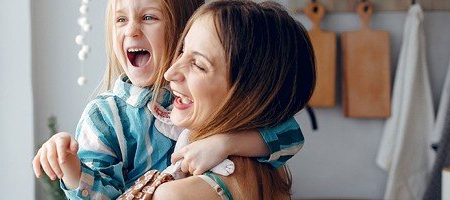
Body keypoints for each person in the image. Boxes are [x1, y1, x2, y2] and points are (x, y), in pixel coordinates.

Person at [31, 0, 306, 199]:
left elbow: (289, 133)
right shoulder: (106, 115)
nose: (131, 31)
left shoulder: (208, 105)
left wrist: (224, 143)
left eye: (149, 17)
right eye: (120, 19)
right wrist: (73, 170)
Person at [147, 1, 316, 199]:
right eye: (182, 51)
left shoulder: (174, 195)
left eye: (199, 65)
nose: (169, 73)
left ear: (249, 97)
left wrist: (224, 143)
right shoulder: (268, 171)